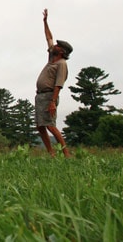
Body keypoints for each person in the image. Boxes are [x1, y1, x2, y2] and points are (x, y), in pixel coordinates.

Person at [35, 9, 72, 157]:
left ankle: (66, 153)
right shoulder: (52, 57)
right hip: (40, 96)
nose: (54, 45)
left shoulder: (61, 64)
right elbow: (49, 37)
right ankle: (51, 153)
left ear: (62, 51)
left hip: (50, 96)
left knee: (50, 125)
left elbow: (58, 84)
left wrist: (52, 102)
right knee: (40, 126)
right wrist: (45, 22)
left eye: (58, 46)